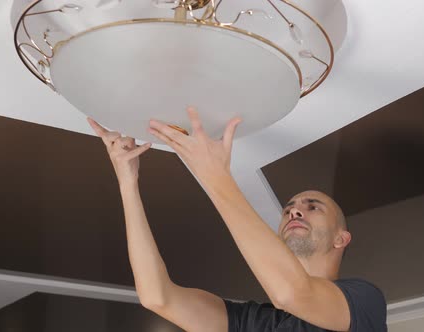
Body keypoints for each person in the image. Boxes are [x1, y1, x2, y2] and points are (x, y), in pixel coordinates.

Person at [87, 107, 387, 332]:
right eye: (289, 208)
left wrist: (215, 176)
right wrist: (127, 182)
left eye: (314, 207)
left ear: (341, 238)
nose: (294, 211)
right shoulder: (254, 322)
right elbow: (157, 297)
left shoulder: (364, 302)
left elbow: (292, 293)